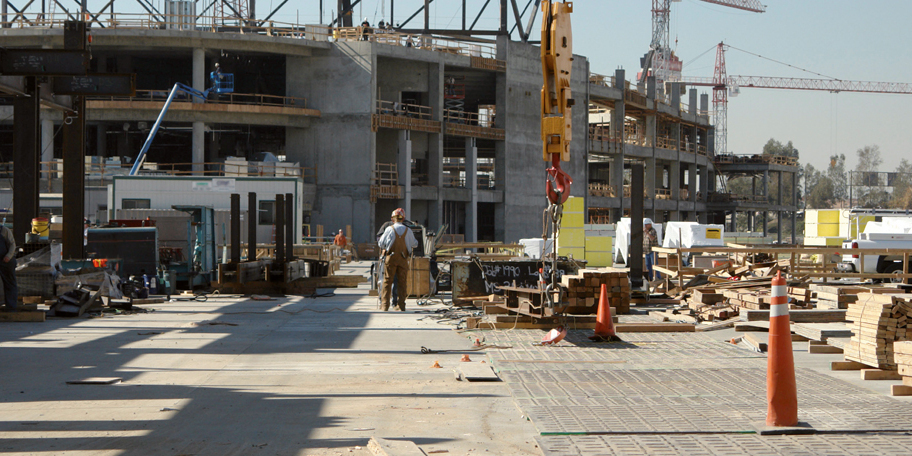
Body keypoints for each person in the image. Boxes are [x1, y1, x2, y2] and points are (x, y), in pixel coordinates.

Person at [378, 208, 417, 311]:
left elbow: (381, 243)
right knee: (402, 282)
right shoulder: (408, 230)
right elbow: (415, 244)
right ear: (403, 218)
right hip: (403, 259)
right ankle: (401, 305)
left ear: (393, 218)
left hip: (390, 258)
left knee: (387, 281)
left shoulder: (389, 229)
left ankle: (385, 306)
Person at [0, 223, 18, 312]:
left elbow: (12, 244)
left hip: (6, 261)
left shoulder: (4, 230)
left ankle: (11, 307)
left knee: (10, 283)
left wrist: (8, 256)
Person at [643, 218, 659, 282]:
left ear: (650, 224)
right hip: (647, 251)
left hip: (653, 252)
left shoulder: (653, 231)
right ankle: (651, 279)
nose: (645, 226)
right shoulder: (644, 232)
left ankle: (658, 278)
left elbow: (652, 238)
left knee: (655, 265)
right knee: (648, 266)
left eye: (646, 225)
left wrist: (647, 233)